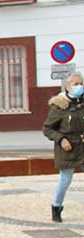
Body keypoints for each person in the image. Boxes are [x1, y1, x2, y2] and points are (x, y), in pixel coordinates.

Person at [43, 71, 83, 223]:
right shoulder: (60, 105)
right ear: (68, 86)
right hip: (67, 147)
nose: (79, 87)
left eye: (81, 84)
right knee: (66, 179)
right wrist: (61, 139)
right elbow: (47, 128)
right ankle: (56, 207)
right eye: (76, 84)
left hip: (82, 146)